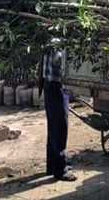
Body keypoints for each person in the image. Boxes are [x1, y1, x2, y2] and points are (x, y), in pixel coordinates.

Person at [41, 39, 77, 182]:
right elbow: (60, 61)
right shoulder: (56, 39)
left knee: (54, 126)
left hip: (52, 83)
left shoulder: (52, 34)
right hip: (55, 84)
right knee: (60, 126)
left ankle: (52, 166)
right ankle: (60, 169)